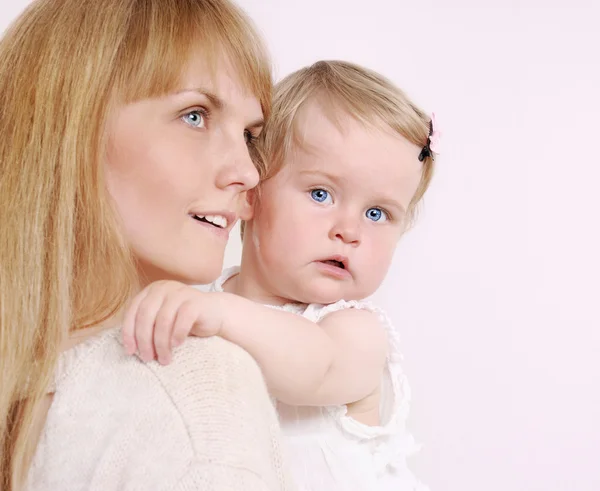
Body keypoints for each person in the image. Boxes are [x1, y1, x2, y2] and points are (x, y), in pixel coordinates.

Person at [0, 0, 295, 490]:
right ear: (72, 126)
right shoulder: (195, 391)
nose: (247, 172)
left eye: (250, 135)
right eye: (195, 115)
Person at [124, 60, 438, 490]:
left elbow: (316, 369)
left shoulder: (353, 331)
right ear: (252, 194)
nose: (349, 230)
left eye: (377, 213)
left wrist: (217, 314)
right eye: (321, 194)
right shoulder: (204, 305)